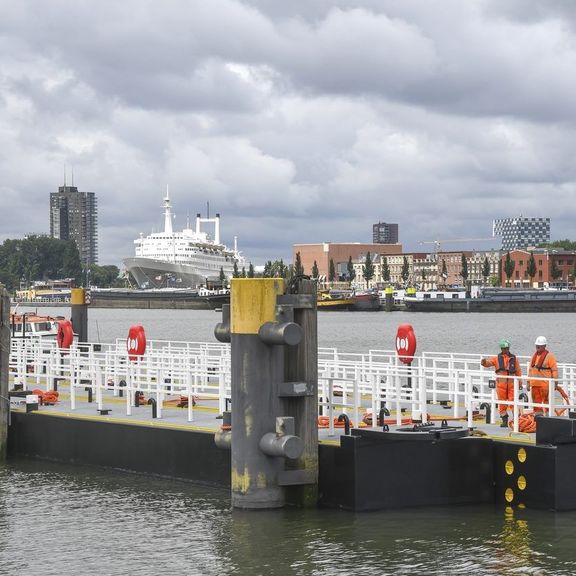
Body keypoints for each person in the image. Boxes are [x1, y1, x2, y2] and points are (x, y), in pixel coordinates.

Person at [480, 339, 523, 427]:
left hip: (511, 385)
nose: (505, 350)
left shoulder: (514, 359)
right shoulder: (496, 358)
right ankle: (504, 420)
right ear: (501, 349)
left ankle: (517, 420)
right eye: (503, 348)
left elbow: (518, 371)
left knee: (513, 402)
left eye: (506, 348)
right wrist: (484, 362)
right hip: (501, 386)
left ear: (508, 348)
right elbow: (489, 363)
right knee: (502, 404)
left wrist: (520, 383)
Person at [528, 336, 559, 415]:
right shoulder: (534, 356)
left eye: (540, 345)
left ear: (544, 346)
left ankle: (547, 417)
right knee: (536, 402)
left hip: (545, 384)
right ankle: (538, 418)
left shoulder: (550, 356)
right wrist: (528, 383)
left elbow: (554, 370)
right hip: (534, 384)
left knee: (545, 401)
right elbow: (530, 370)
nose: (537, 347)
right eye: (537, 345)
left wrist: (555, 382)